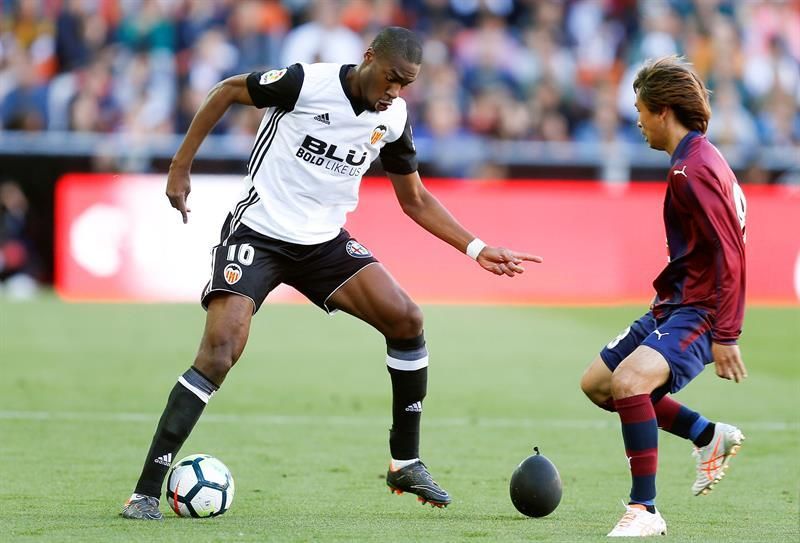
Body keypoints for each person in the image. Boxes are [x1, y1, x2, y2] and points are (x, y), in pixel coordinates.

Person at [121, 26, 542, 520]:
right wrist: (180, 165)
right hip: (258, 231)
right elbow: (227, 90)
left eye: (405, 85)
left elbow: (415, 199)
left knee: (406, 319)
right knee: (219, 353)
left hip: (323, 243)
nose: (394, 92)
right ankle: (146, 490)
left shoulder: (395, 117)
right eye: (390, 79)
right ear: (368, 59)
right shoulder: (306, 83)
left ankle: (404, 462)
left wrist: (476, 248)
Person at [579, 56, 748, 537]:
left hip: (702, 308)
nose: (636, 119)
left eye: (640, 108)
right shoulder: (695, 160)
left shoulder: (693, 170)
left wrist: (727, 332)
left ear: (663, 111)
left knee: (630, 381)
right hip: (675, 304)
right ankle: (706, 434)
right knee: (598, 383)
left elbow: (731, 253)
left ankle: (644, 509)